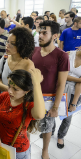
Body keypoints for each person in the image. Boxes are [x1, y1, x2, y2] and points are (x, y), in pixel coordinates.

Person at [31, 20, 69, 159]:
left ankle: (45, 150)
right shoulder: (34, 51)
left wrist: (56, 106)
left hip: (48, 98)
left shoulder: (62, 56)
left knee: (47, 128)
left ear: (54, 36)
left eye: (44, 33)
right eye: (39, 32)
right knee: (27, 123)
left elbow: (61, 83)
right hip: (31, 96)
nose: (40, 35)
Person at [0, 69, 45, 159]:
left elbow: (40, 115)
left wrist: (36, 84)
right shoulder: (4, 96)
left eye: (15, 89)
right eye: (9, 86)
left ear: (27, 91)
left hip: (18, 151)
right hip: (1, 143)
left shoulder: (29, 106)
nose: (10, 91)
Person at [50, 50, 81, 149]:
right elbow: (59, 74)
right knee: (52, 110)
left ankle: (61, 136)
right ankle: (50, 130)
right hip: (59, 87)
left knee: (67, 117)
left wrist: (74, 103)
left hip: (75, 92)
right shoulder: (68, 54)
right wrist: (79, 79)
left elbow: (79, 84)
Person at [0, 26, 35, 92]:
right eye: (7, 42)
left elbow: (27, 90)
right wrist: (9, 89)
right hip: (3, 99)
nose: (7, 45)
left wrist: (1, 85)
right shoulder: (5, 58)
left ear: (22, 46)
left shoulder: (28, 65)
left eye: (12, 44)